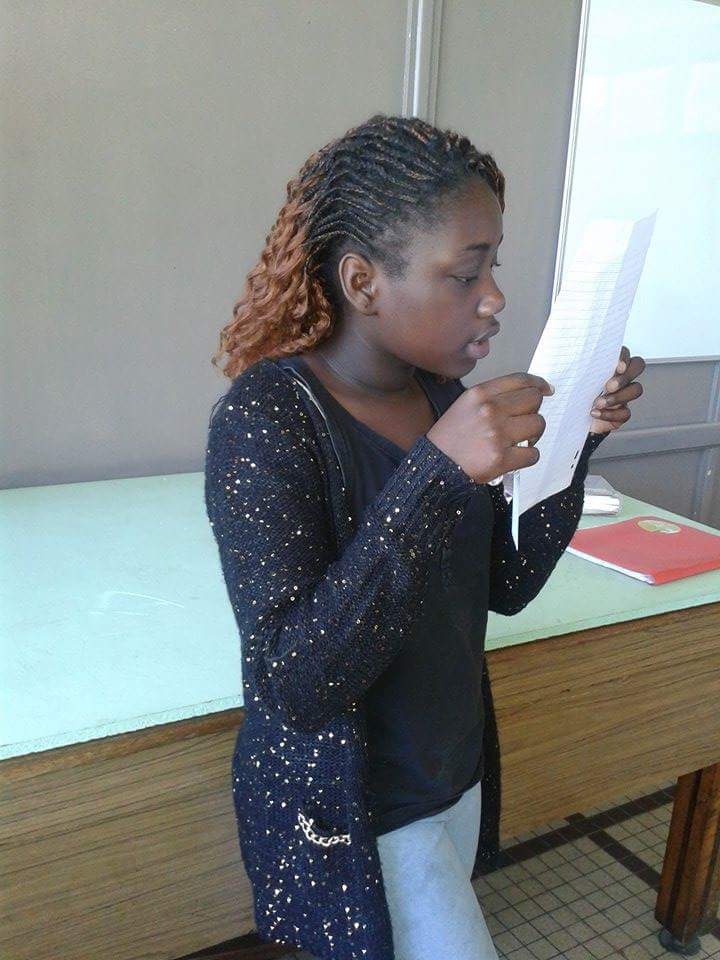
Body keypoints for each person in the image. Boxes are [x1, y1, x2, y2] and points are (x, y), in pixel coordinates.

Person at [204, 113, 645, 960]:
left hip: (454, 774)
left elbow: (505, 584)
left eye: (494, 267)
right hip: (360, 812)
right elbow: (295, 682)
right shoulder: (268, 419)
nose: (494, 297)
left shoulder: (443, 399)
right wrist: (439, 475)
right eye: (466, 273)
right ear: (363, 282)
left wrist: (578, 440)